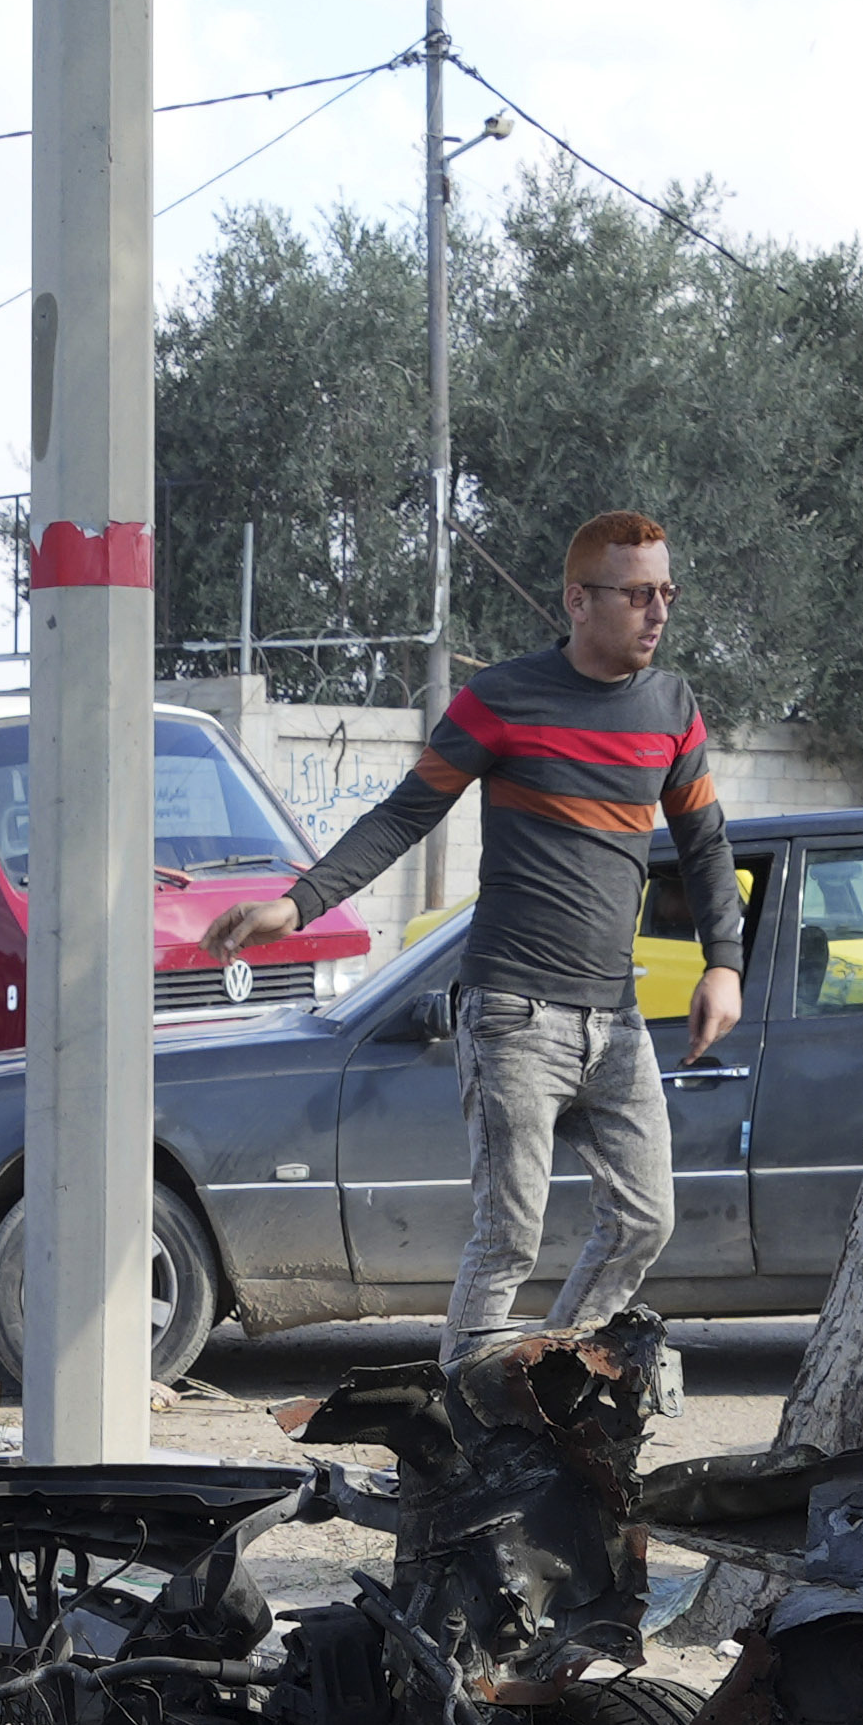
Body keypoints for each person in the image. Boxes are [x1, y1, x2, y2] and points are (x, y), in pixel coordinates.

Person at [272, 507, 736, 1366]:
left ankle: (554, 1379)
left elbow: (704, 845)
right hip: (514, 1014)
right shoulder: (503, 700)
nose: (660, 611)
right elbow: (404, 815)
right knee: (509, 1238)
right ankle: (467, 1419)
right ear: (579, 601)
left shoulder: (672, 707)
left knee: (647, 1219)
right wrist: (300, 905)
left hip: (617, 1017)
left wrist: (725, 963)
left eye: (667, 590)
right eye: (639, 594)